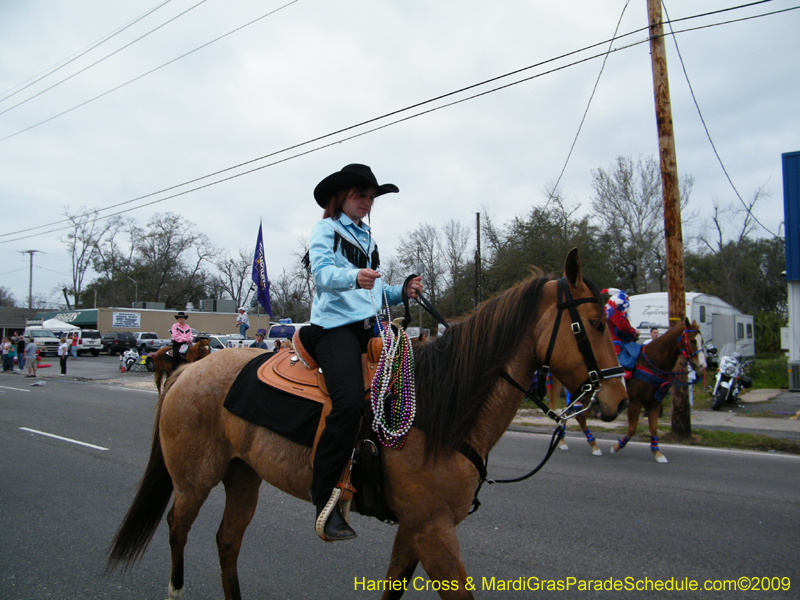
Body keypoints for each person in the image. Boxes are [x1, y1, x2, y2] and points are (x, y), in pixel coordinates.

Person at [305, 163, 422, 542]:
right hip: (332, 328)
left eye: (371, 198)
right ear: (342, 197)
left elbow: (376, 290)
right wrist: (354, 276)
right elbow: (322, 276)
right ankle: (323, 495)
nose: (367, 203)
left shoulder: (368, 238)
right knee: (350, 404)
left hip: (368, 328)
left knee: (404, 392)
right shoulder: (326, 229)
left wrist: (401, 290)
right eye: (361, 195)